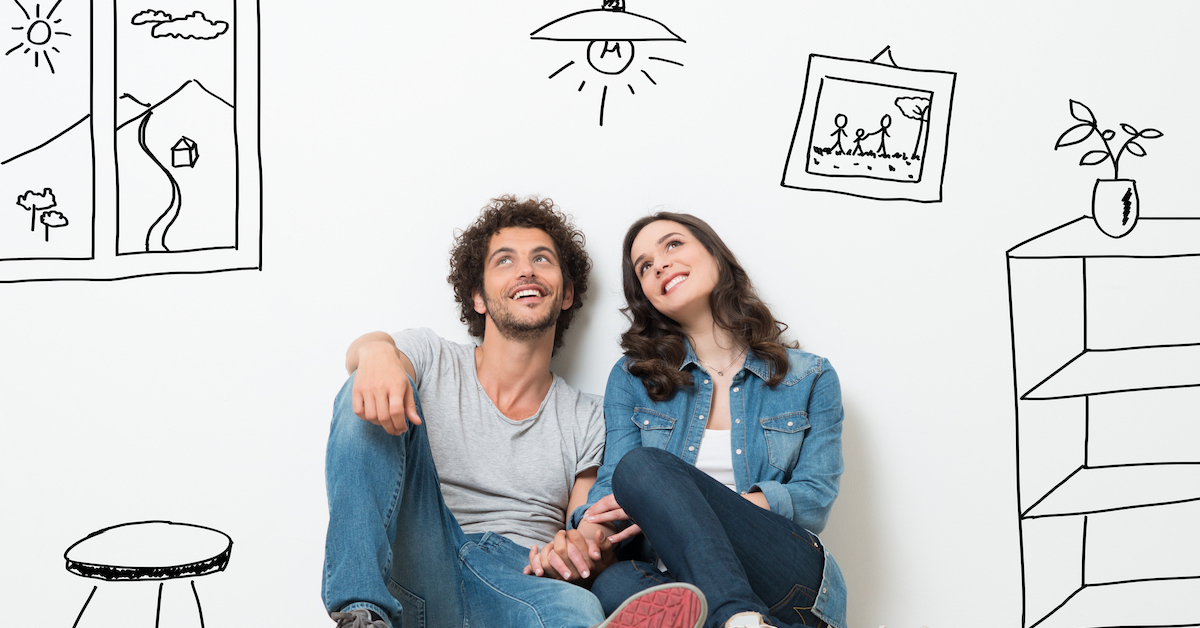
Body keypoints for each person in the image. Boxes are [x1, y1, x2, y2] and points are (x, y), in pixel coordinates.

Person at [322, 196, 706, 628]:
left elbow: (586, 526)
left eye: (542, 259)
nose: (526, 270)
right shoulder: (432, 357)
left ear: (566, 295)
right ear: (479, 298)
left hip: (519, 584)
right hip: (420, 569)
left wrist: (579, 548)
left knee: (578, 608)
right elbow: (370, 357)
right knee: (369, 386)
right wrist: (375, 351)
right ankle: (359, 613)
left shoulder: (588, 417)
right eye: (505, 260)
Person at [527, 212, 847, 628]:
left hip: (792, 584)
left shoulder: (810, 377)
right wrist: (581, 539)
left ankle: (738, 618)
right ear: (646, 295)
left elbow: (814, 497)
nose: (658, 263)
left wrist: (675, 504)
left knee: (644, 468)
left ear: (715, 255)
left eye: (673, 245)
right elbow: (611, 490)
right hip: (675, 582)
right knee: (611, 583)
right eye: (644, 266)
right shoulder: (632, 379)